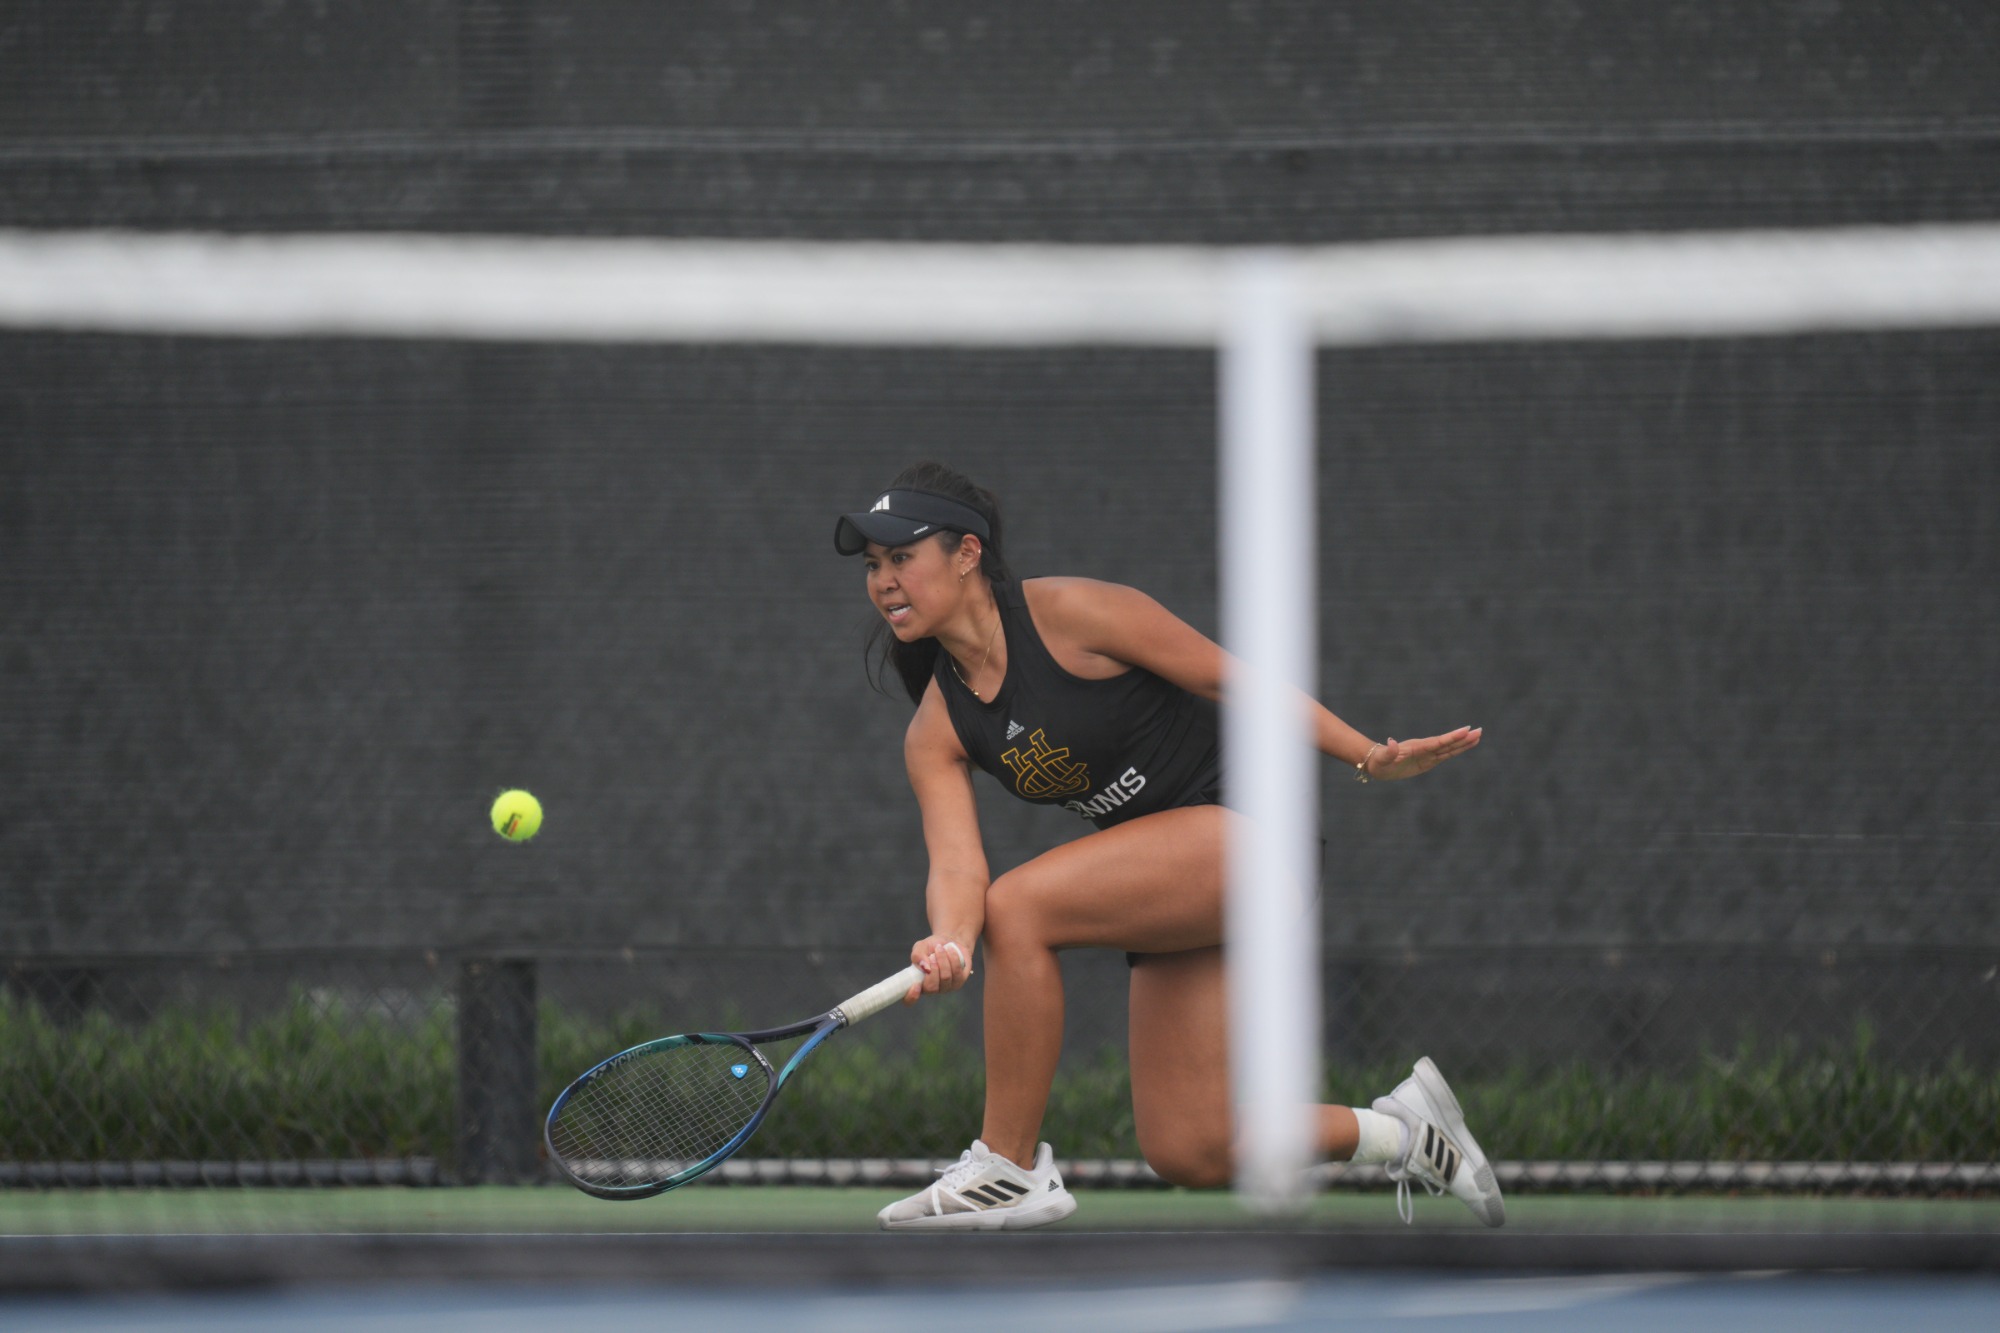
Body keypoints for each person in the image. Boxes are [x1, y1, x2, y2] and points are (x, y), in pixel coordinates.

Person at [834, 461, 1502, 1232]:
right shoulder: (935, 728)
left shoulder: (1074, 613)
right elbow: (955, 865)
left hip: (1253, 834)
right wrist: (949, 939)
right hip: (1173, 879)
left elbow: (1235, 679)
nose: (884, 580)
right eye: (873, 566)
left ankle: (1008, 1166)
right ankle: (1410, 1132)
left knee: (1018, 907)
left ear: (967, 553)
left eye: (901, 557)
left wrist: (1365, 754)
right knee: (1191, 1145)